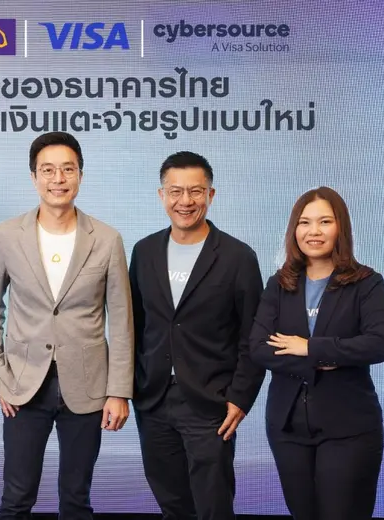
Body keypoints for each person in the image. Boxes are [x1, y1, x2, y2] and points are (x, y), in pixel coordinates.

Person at [0, 131, 134, 520]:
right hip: (23, 385)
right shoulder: (6, 236)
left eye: (68, 169)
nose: (58, 179)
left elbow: (122, 320)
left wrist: (119, 391)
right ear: (34, 177)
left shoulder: (107, 239)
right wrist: (0, 375)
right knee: (16, 498)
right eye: (48, 170)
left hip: (88, 386)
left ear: (81, 174)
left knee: (76, 499)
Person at [129, 151, 265, 520]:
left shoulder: (238, 257)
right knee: (172, 503)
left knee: (213, 505)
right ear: (162, 195)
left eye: (195, 191)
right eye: (175, 191)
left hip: (211, 402)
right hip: (153, 399)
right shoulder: (144, 252)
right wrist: (130, 387)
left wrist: (240, 397)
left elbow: (253, 336)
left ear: (211, 194)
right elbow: (134, 326)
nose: (185, 201)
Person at [249, 186, 384, 520]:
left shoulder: (366, 283)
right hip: (287, 427)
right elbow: (259, 347)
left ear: (340, 227)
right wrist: (327, 359)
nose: (313, 231)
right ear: (294, 230)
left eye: (325, 221)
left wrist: (310, 347)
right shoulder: (279, 284)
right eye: (305, 222)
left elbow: (379, 343)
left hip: (349, 428)